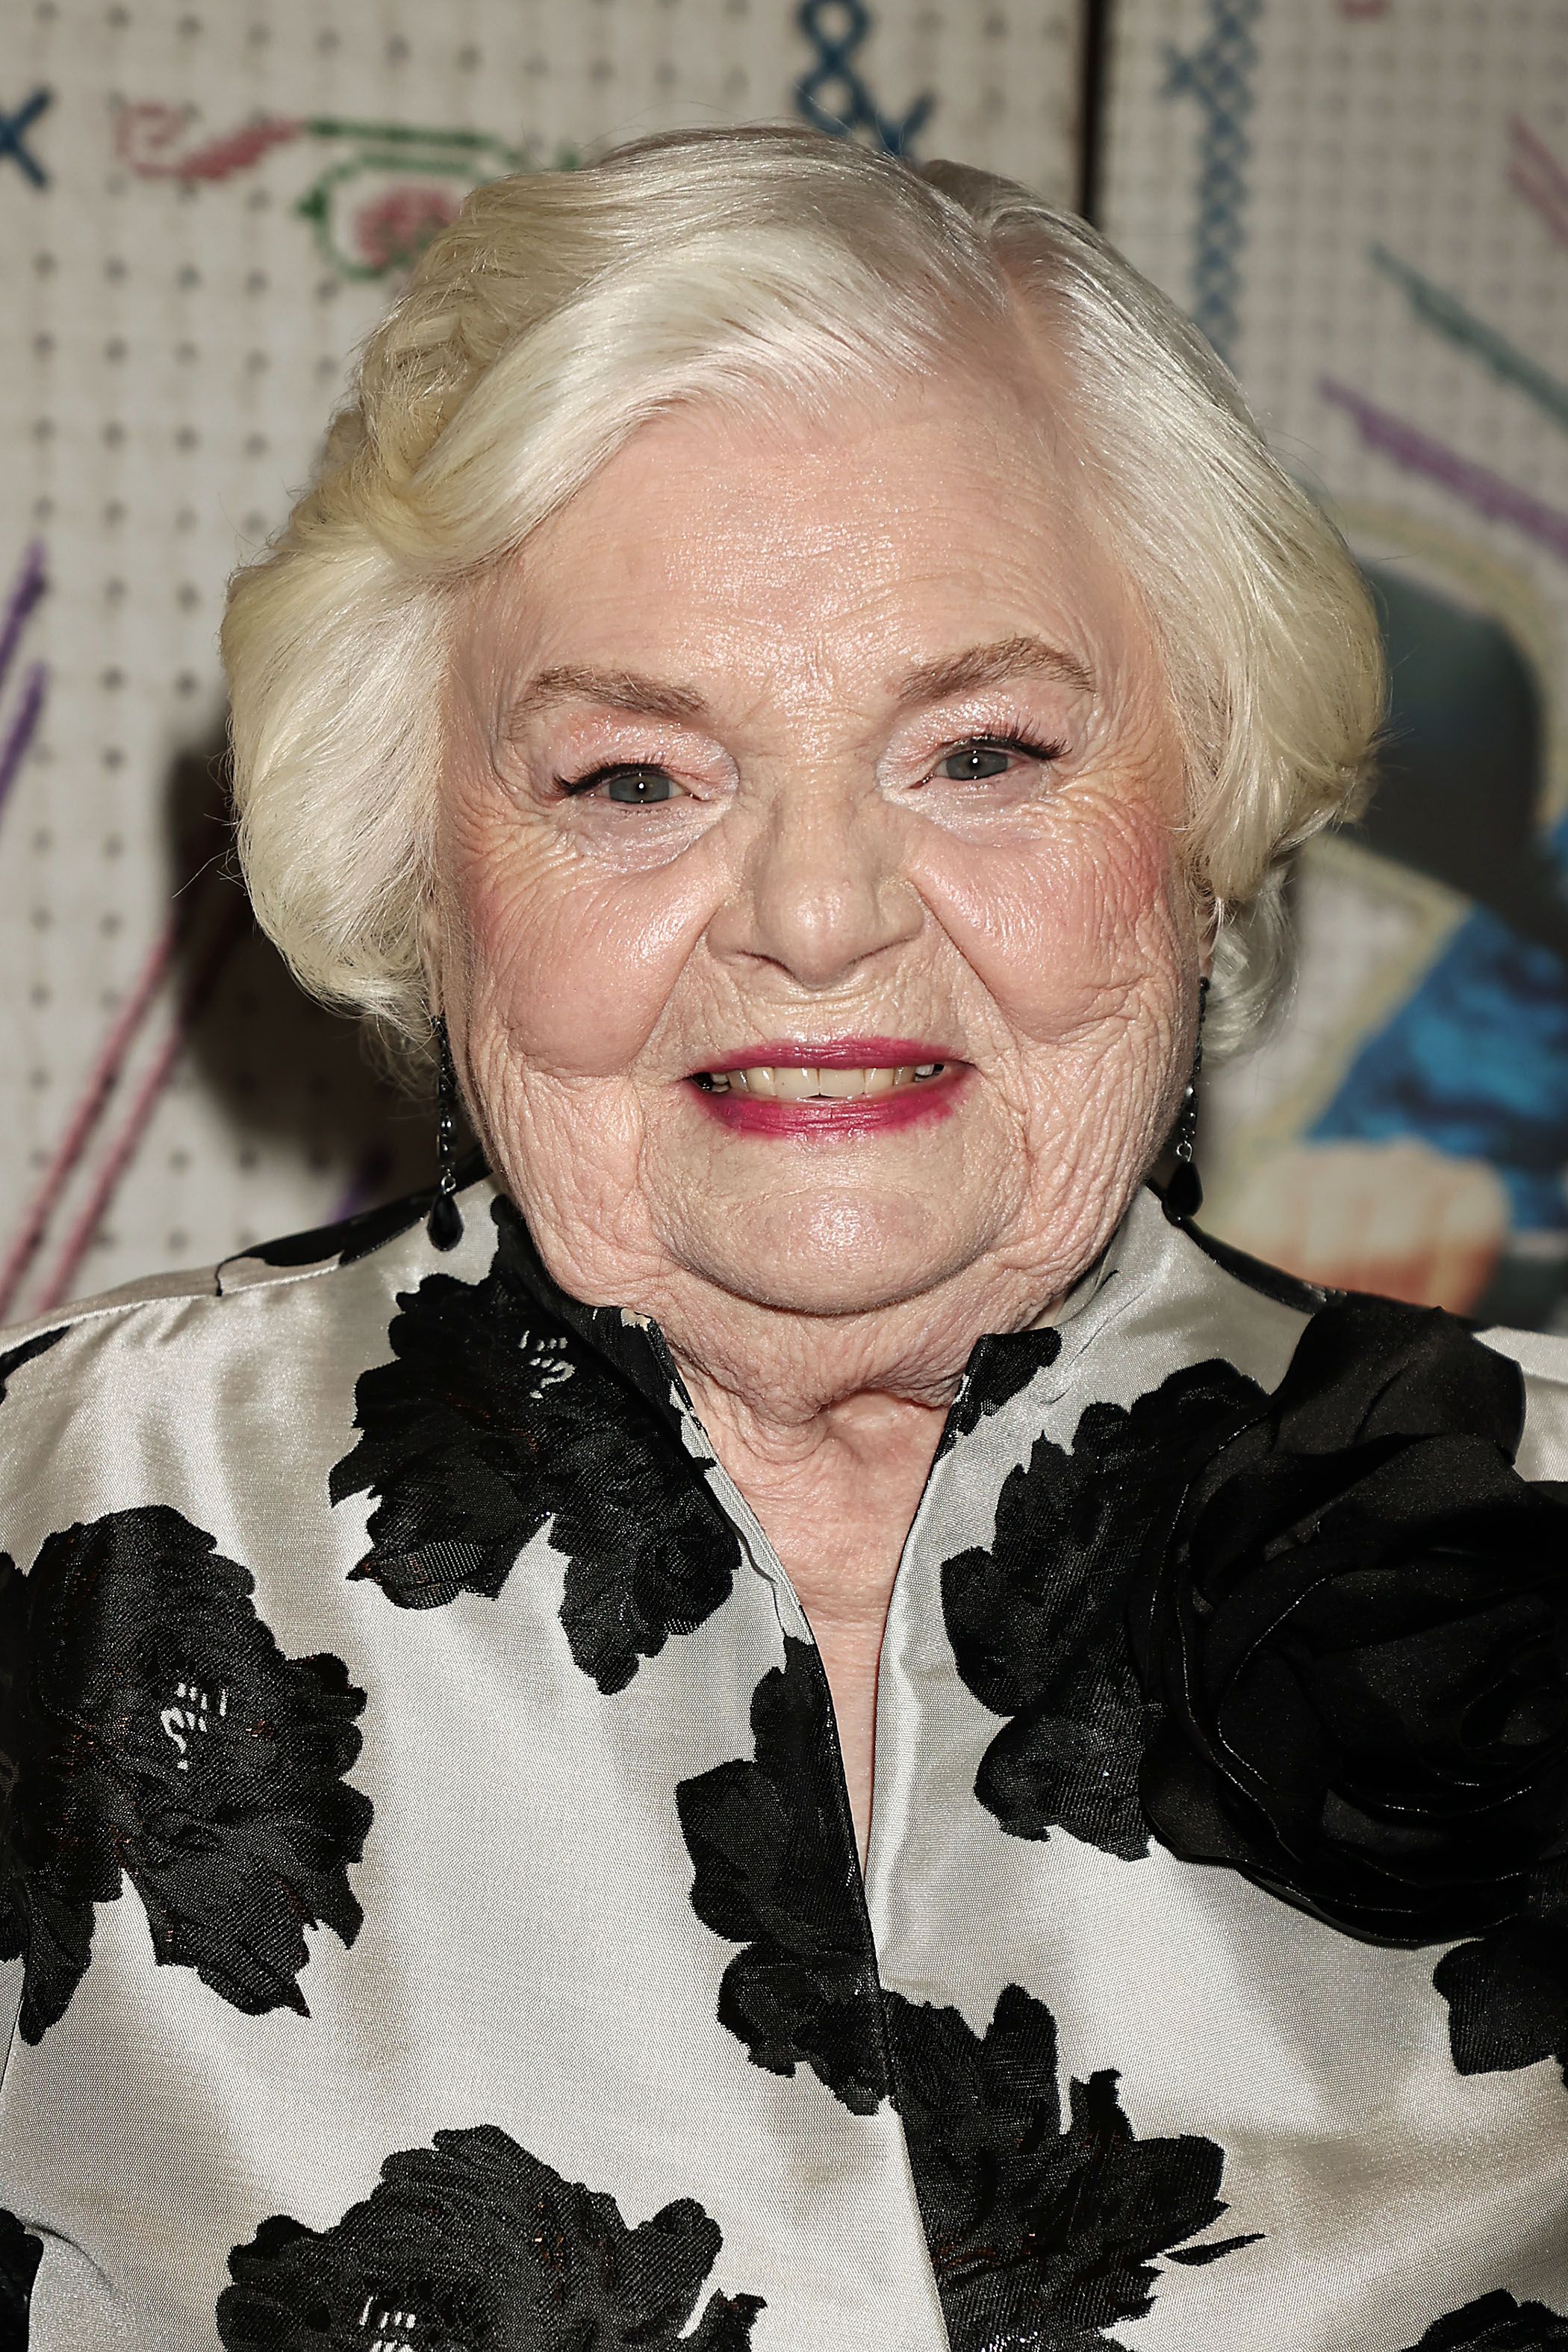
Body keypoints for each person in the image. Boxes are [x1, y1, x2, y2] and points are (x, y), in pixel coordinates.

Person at [2, 125, 1566, 2352]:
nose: (820, 914)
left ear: (1199, 812)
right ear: (422, 871)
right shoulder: (46, 1543)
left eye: (985, 750)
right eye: (635, 780)